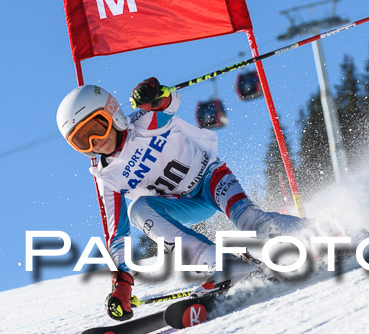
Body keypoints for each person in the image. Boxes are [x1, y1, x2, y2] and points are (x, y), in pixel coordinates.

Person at [56, 78, 305, 321]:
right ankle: (223, 264)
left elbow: (170, 100)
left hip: (211, 178)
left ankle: (316, 234)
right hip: (185, 204)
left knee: (251, 223)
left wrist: (154, 93)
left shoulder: (145, 122)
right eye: (82, 141)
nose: (95, 142)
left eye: (96, 128)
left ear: (112, 113)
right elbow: (117, 236)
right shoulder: (107, 178)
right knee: (138, 210)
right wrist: (122, 282)